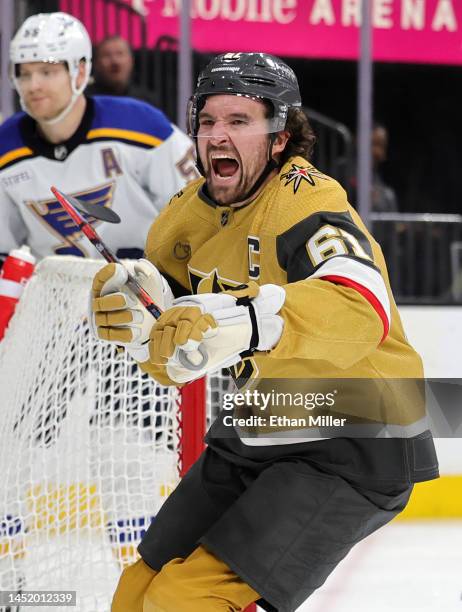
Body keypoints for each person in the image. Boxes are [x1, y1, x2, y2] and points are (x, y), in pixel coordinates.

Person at [91, 53, 439, 612]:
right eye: (207, 122)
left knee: (185, 601)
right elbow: (176, 352)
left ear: (280, 137)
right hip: (265, 416)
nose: (217, 135)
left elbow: (361, 305)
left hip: (358, 434)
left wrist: (253, 320)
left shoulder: (307, 201)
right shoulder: (182, 221)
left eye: (239, 121)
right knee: (135, 593)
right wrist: (141, 325)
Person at [0, 12, 196, 264]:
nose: (33, 85)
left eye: (47, 71)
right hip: (55, 299)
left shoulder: (141, 126)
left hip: (151, 292)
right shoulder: (5, 148)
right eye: (24, 74)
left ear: (80, 71)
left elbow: (197, 215)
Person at [87, 35, 157, 107]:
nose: (115, 61)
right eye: (107, 55)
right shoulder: (86, 102)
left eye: (120, 54)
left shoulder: (146, 102)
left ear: (131, 61)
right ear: (96, 63)